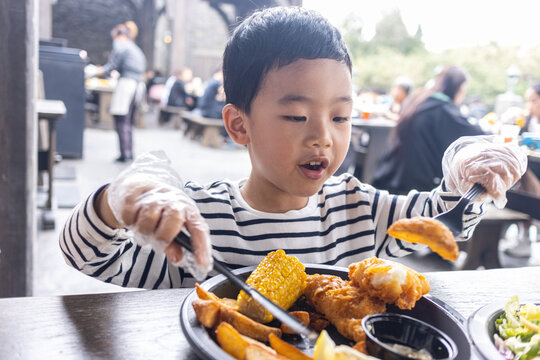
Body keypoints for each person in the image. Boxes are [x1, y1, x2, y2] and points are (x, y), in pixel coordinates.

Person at [60, 7, 526, 289]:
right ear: (239, 125)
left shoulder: (360, 211)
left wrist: (468, 177)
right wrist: (114, 201)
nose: (323, 135)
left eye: (341, 117)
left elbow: (442, 223)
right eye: (297, 116)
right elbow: (91, 258)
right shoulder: (199, 223)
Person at [372, 66, 486, 194]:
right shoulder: (443, 109)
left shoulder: (417, 99)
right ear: (457, 88)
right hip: (416, 187)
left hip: (389, 176)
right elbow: (476, 136)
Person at [96, 23, 146, 162]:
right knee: (129, 121)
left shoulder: (122, 46)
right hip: (138, 86)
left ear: (120, 35)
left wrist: (95, 72)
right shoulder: (135, 48)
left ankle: (125, 154)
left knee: (121, 120)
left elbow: (111, 66)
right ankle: (128, 152)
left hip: (127, 84)